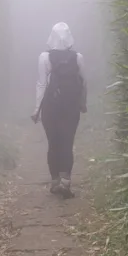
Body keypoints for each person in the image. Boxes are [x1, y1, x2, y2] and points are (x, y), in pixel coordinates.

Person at [31, 22, 87, 198]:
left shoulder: (44, 57)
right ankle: (66, 181)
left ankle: (55, 181)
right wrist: (82, 103)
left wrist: (36, 109)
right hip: (71, 107)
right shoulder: (78, 57)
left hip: (51, 106)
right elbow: (84, 83)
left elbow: (41, 84)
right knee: (67, 143)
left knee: (53, 142)